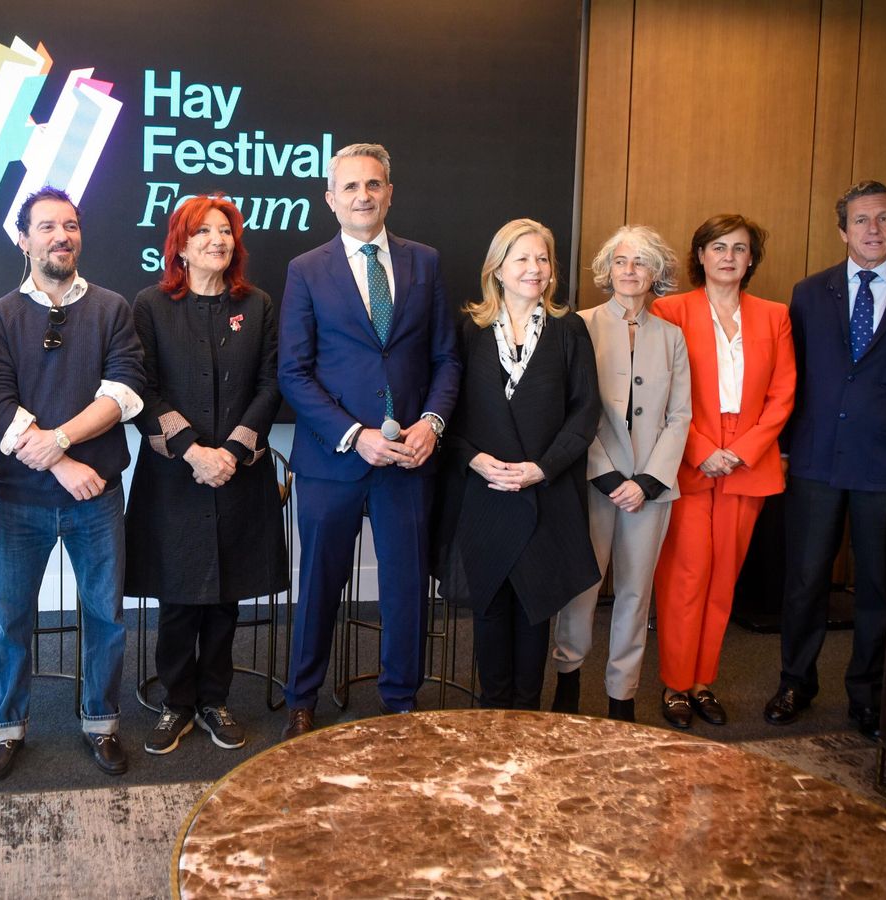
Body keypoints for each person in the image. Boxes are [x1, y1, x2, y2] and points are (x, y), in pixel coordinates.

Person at [277, 143, 461, 736]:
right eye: (351, 187)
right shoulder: (306, 269)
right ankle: (303, 697)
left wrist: (432, 424)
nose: (364, 196)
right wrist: (353, 435)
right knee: (319, 584)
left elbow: (446, 359)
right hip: (334, 459)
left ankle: (400, 699)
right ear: (331, 200)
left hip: (410, 457)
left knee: (406, 585)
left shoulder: (425, 262)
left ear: (389, 192)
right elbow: (293, 372)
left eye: (374, 185)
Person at [765, 181, 886, 738]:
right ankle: (795, 681)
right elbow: (789, 381)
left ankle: (867, 693)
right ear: (842, 230)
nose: (873, 229)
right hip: (815, 463)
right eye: (861, 220)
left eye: (883, 219)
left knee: (877, 586)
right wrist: (777, 449)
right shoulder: (807, 293)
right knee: (804, 581)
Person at [0, 187, 145, 778]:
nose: (61, 236)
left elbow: (123, 392)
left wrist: (64, 442)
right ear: (22, 239)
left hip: (97, 496)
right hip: (20, 498)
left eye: (70, 225)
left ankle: (101, 723)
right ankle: (4, 729)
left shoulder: (112, 308)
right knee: (11, 618)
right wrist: (58, 462)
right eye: (46, 226)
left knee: (106, 615)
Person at [125, 195, 288, 754]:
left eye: (225, 232)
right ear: (181, 244)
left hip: (239, 476)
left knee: (225, 597)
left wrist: (234, 452)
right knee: (178, 597)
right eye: (203, 232)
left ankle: (215, 699)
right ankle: (176, 703)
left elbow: (272, 384)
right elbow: (142, 387)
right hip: (176, 476)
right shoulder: (150, 304)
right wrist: (196, 451)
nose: (216, 240)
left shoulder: (258, 304)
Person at [433, 218, 601, 709]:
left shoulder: (570, 330)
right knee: (489, 609)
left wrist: (542, 468)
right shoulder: (470, 332)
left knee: (534, 611)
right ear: (497, 269)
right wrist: (476, 461)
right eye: (522, 258)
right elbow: (447, 412)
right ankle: (493, 717)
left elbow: (585, 410)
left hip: (545, 493)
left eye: (542, 258)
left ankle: (528, 720)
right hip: (483, 494)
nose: (535, 268)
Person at [650, 214, 795, 729]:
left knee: (723, 579)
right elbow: (659, 393)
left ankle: (702, 680)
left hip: (748, 462)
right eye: (718, 247)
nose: (729, 256)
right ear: (701, 256)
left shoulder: (774, 315)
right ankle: (674, 683)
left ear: (751, 258)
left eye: (739, 248)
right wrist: (702, 448)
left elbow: (782, 394)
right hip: (691, 456)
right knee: (685, 574)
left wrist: (746, 449)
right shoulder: (670, 310)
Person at [550, 225, 690, 722]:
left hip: (650, 490)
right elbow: (571, 411)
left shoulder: (672, 337)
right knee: (581, 587)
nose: (630, 271)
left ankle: (621, 696)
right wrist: (607, 476)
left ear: (657, 274)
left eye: (641, 262)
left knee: (636, 591)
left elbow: (680, 416)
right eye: (622, 261)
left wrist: (649, 481)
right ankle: (567, 681)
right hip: (593, 483)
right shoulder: (578, 325)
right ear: (607, 270)